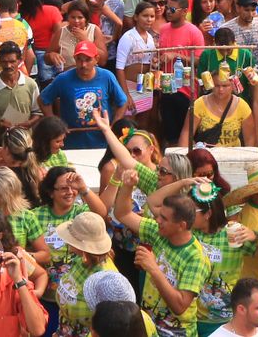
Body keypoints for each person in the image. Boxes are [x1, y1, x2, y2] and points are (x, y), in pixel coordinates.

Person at [111, 168, 206, 337]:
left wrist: (153, 268)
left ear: (182, 225)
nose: (157, 220)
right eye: (159, 215)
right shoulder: (159, 232)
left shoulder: (195, 257)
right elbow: (123, 214)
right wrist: (127, 187)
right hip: (149, 328)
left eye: (164, 218)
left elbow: (180, 306)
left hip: (176, 333)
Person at [40, 42, 129, 149]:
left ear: (96, 59)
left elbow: (123, 102)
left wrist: (113, 126)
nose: (83, 65)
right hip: (72, 142)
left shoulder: (107, 76)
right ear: (74, 59)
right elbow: (43, 100)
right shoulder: (63, 79)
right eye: (79, 60)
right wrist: (55, 125)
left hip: (102, 141)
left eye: (88, 60)